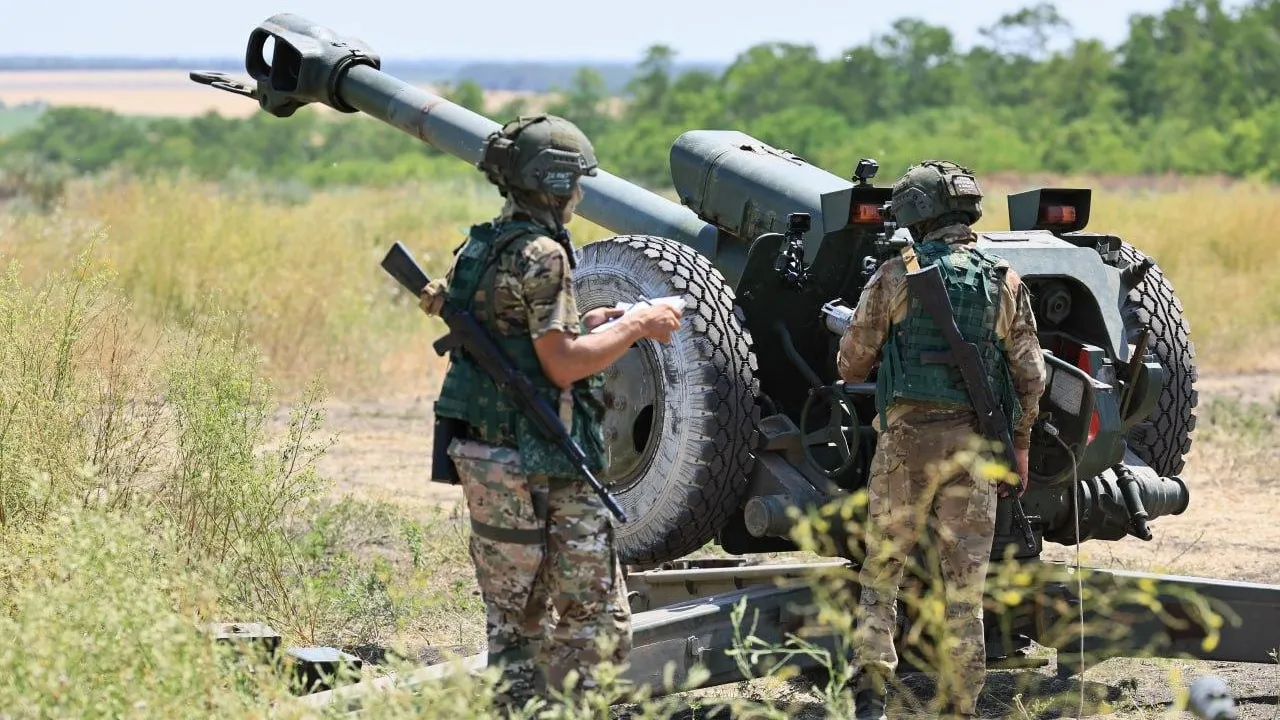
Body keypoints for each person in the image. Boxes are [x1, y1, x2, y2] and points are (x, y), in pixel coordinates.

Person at [417, 114, 683, 711]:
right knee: (596, 623)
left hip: (489, 456)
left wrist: (596, 324)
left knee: (513, 619)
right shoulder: (544, 255)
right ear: (557, 185)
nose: (581, 194)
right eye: (577, 183)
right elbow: (561, 366)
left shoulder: (480, 246)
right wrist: (639, 323)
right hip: (545, 458)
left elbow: (515, 339)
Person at [835, 160, 1047, 720]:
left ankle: (870, 698)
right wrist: (1019, 447)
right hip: (974, 450)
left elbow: (852, 364)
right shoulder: (1004, 279)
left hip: (904, 445)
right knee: (965, 590)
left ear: (919, 214)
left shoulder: (894, 276)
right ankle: (962, 704)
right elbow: (1031, 374)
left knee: (882, 574)